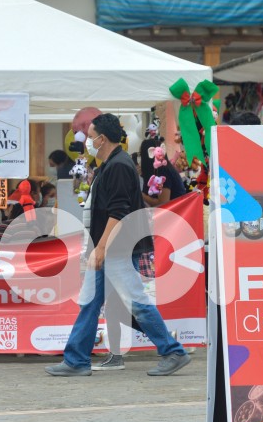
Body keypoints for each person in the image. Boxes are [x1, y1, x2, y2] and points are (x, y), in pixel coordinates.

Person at [45, 113, 189, 377]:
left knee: (135, 301)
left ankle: (172, 350)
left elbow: (118, 212)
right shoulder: (112, 164)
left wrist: (101, 248)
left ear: (102, 138)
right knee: (91, 302)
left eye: (90, 137)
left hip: (117, 248)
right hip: (109, 247)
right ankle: (76, 359)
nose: (87, 142)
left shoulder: (119, 166)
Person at [139, 137, 187, 207]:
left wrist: (142, 195)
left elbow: (162, 203)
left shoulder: (163, 170)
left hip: (176, 211)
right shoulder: (162, 168)